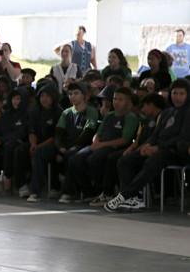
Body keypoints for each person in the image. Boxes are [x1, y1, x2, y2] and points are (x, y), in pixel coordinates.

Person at [106, 79, 190, 212]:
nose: (177, 97)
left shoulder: (188, 113)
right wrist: (147, 145)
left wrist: (156, 148)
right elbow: (155, 134)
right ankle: (135, 198)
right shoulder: (166, 113)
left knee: (153, 161)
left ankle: (127, 194)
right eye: (175, 93)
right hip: (156, 147)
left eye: (181, 94)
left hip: (173, 151)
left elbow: (181, 138)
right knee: (125, 160)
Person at [62, 87, 138, 203]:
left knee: (95, 159)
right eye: (115, 99)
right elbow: (98, 133)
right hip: (99, 144)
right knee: (74, 160)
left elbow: (124, 140)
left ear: (128, 102)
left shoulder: (130, 117)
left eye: (120, 100)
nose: (116, 102)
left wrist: (101, 145)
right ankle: (89, 192)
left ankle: (104, 192)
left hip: (113, 146)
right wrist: (96, 141)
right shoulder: (109, 115)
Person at [26, 82, 99, 202]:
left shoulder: (91, 111)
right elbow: (59, 133)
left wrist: (65, 149)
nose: (73, 96)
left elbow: (87, 134)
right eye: (70, 94)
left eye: (76, 93)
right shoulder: (66, 112)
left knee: (71, 154)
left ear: (85, 96)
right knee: (40, 151)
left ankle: (68, 192)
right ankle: (35, 191)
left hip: (80, 145)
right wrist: (60, 148)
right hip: (64, 145)